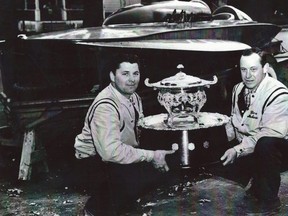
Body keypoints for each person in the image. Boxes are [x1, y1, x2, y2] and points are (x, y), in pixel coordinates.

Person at [74, 53, 179, 215]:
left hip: (118, 155)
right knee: (137, 177)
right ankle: (95, 208)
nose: (132, 79)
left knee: (168, 162)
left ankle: (123, 201)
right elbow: (110, 153)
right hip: (93, 163)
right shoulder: (106, 106)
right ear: (112, 76)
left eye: (135, 73)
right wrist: (151, 156)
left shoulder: (134, 97)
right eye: (125, 74)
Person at [220, 48, 288, 214]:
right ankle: (254, 179)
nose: (248, 75)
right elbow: (235, 121)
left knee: (266, 145)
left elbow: (268, 133)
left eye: (253, 69)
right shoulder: (238, 89)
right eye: (243, 70)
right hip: (250, 145)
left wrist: (237, 150)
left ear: (264, 68)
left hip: (279, 148)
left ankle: (270, 200)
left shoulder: (278, 93)